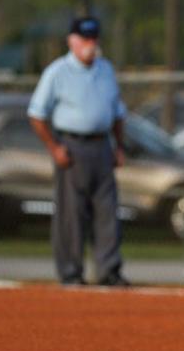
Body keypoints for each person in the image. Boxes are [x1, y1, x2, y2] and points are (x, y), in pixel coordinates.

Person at [28, 16, 129, 287]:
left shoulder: (105, 69)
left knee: (107, 211)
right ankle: (71, 272)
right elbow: (37, 114)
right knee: (71, 214)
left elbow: (118, 113)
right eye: (85, 39)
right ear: (72, 41)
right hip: (72, 147)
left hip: (102, 146)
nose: (90, 44)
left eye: (94, 38)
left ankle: (109, 270)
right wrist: (54, 147)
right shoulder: (58, 71)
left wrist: (119, 146)